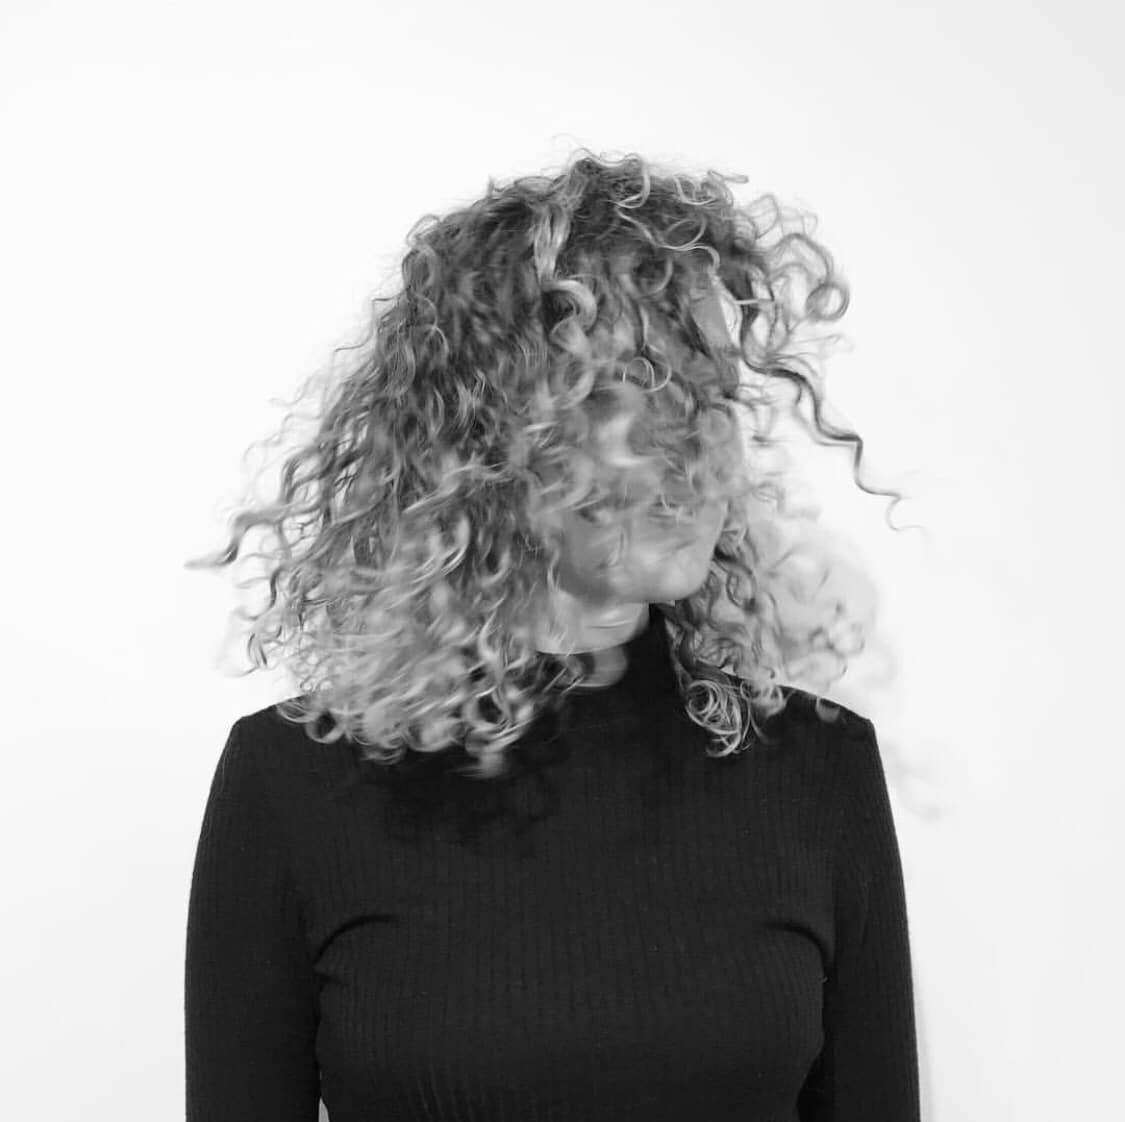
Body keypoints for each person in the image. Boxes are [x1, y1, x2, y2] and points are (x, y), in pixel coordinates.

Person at [184, 149, 921, 1121]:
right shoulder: (293, 787)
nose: (693, 447)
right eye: (625, 394)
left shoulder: (818, 771)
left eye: (714, 397)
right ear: (491, 441)